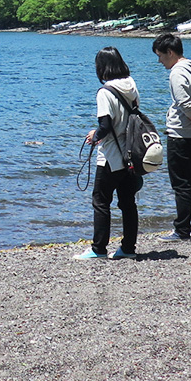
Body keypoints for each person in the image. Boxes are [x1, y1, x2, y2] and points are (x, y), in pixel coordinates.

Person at [73, 46, 143, 260]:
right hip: (131, 153)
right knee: (128, 202)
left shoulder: (105, 92)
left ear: (102, 67)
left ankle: (99, 249)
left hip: (111, 156)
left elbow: (105, 125)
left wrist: (94, 136)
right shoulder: (131, 85)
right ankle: (128, 248)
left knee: (101, 201)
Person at [151, 33, 191, 242]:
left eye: (160, 56)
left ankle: (181, 230)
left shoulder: (177, 73)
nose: (160, 61)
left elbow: (185, 105)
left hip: (181, 134)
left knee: (181, 183)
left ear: (170, 52)